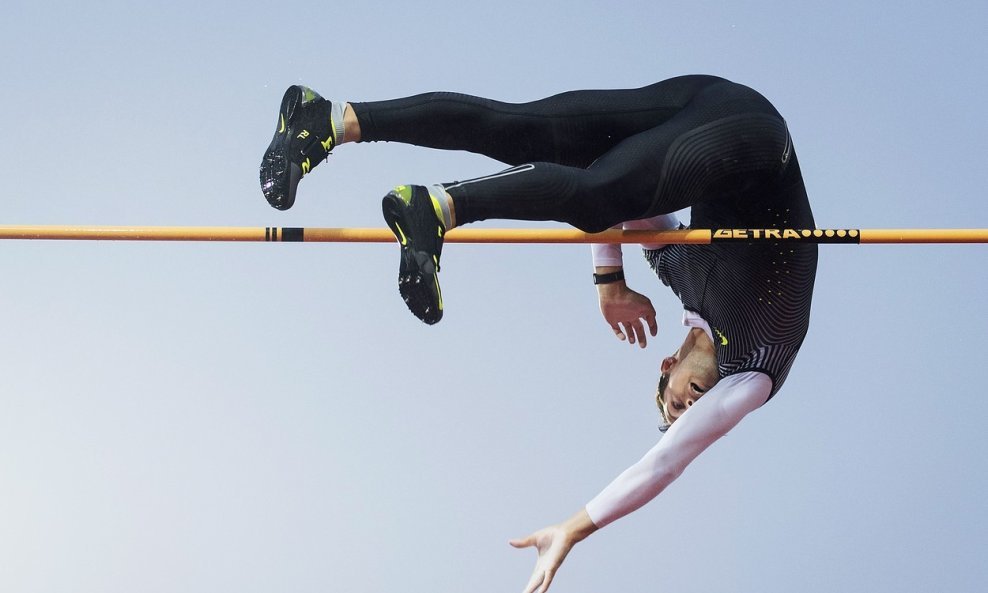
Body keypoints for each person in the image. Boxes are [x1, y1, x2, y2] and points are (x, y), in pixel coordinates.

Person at [259, 75, 818, 593]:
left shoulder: (682, 274)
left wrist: (572, 527)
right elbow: (621, 205)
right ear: (665, 367)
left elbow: (666, 457)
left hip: (716, 121)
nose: (688, 412)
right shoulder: (754, 369)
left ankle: (332, 119)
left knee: (533, 137)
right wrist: (609, 278)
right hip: (752, 138)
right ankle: (439, 208)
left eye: (674, 413)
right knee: (586, 180)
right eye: (684, 409)